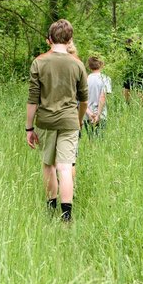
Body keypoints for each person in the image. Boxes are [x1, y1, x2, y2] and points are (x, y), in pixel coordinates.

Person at [26, 19, 88, 222]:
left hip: (46, 121)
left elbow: (33, 99)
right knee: (65, 167)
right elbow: (84, 99)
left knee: (49, 165)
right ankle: (66, 216)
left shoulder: (39, 62)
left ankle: (51, 206)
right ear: (70, 39)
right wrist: (78, 121)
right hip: (70, 121)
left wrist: (29, 128)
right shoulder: (77, 64)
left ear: (50, 38)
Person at [84, 56, 110, 138]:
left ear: (89, 66)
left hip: (87, 115)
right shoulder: (105, 78)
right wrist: (98, 115)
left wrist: (90, 113)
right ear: (101, 64)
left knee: (91, 139)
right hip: (101, 114)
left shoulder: (85, 79)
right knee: (100, 140)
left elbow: (81, 99)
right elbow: (102, 97)